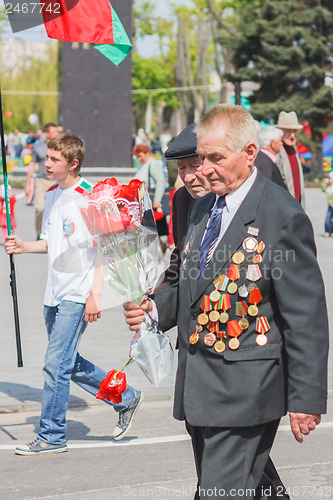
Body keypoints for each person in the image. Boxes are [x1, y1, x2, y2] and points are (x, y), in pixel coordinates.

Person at [124, 105, 329, 499]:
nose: (206, 168)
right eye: (203, 157)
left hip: (245, 388)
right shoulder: (201, 206)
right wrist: (155, 309)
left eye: (217, 158)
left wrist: (305, 398)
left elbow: (305, 316)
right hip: (199, 384)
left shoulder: (280, 215)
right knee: (241, 488)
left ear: (249, 153)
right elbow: (192, 284)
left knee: (217, 491)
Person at [161, 122, 291, 499]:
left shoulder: (260, 193)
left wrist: (300, 392)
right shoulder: (187, 203)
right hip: (199, 368)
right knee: (231, 473)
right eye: (182, 169)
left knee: (222, 480)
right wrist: (153, 304)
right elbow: (182, 270)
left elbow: (286, 287)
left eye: (196, 163)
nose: (190, 175)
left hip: (246, 363)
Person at [5, 134, 143, 455]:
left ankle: (52, 436)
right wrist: (24, 247)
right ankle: (125, 397)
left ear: (73, 163)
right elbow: (52, 242)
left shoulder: (91, 197)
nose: (46, 164)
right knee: (66, 361)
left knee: (55, 363)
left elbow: (106, 250)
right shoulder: (52, 194)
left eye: (54, 160)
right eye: (47, 158)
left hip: (77, 294)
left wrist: (95, 295)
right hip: (52, 294)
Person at [25, 123, 60, 239]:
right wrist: (27, 184)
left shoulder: (60, 147)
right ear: (47, 133)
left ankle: (54, 234)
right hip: (41, 181)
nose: (57, 134)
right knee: (40, 208)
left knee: (56, 210)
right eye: (54, 131)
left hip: (56, 181)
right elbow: (32, 165)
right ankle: (39, 234)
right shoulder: (38, 147)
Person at [132, 144, 169, 249]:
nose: (139, 159)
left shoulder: (153, 164)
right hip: (147, 201)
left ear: (147, 153)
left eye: (140, 156)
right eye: (137, 157)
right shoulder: (144, 165)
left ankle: (161, 252)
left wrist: (157, 200)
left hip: (154, 202)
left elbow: (160, 181)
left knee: (159, 230)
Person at [276, 111, 305, 208]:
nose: (292, 135)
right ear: (280, 132)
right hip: (284, 209)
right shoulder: (277, 153)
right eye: (288, 131)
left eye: (294, 131)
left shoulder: (293, 151)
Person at [322, 171, 333, 237]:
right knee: (328, 219)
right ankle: (327, 231)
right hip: (330, 205)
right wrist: (325, 182)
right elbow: (323, 189)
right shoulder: (329, 187)